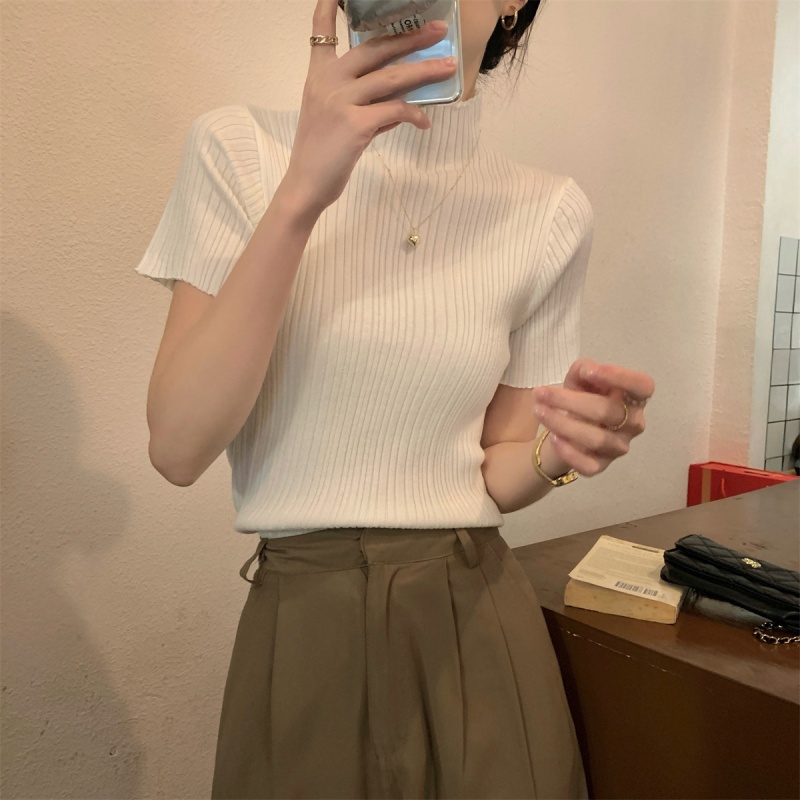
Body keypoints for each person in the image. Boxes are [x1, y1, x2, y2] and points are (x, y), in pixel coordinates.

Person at [135, 0, 655, 796]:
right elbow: (177, 448)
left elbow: (494, 471)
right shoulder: (238, 149)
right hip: (302, 621)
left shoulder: (547, 211)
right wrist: (301, 193)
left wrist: (559, 453)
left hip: (477, 622)